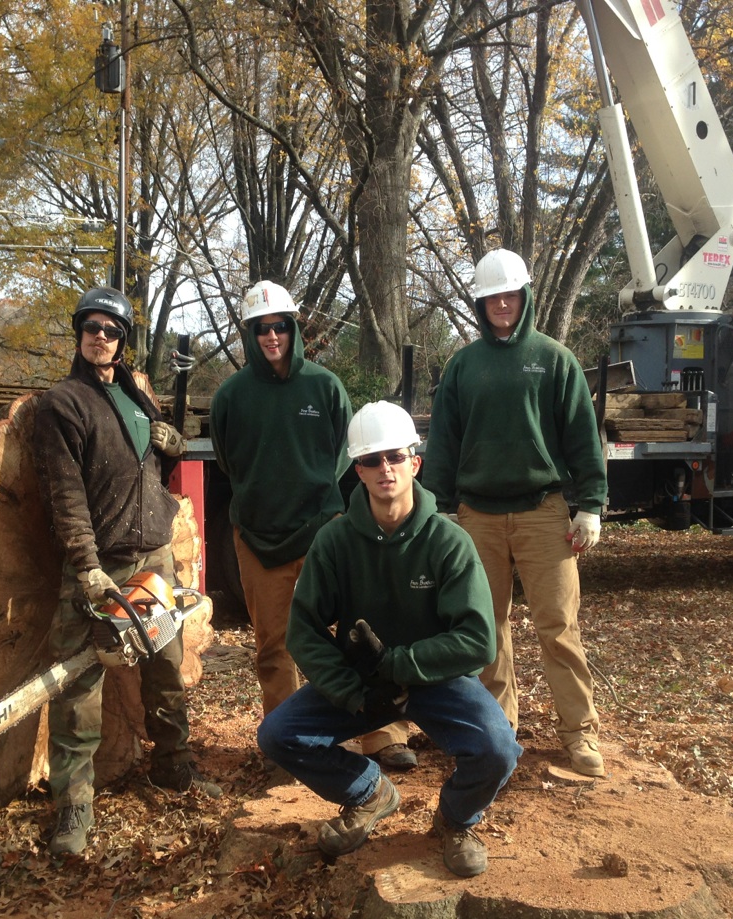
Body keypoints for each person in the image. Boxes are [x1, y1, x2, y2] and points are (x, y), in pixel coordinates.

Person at [257, 402, 520, 878]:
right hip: (363, 685)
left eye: (395, 457)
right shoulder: (334, 542)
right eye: (372, 460)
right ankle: (368, 792)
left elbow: (479, 640)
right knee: (279, 735)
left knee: (499, 749)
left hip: (435, 679)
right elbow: (304, 630)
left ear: (414, 462)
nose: (385, 469)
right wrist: (352, 690)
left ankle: (457, 819)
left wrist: (399, 664)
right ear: (358, 470)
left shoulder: (448, 541)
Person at [34, 285, 220, 857]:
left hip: (154, 555)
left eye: (111, 330)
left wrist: (171, 446)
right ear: (79, 334)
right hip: (101, 566)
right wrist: (86, 567)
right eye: (91, 327)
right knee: (80, 685)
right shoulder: (63, 403)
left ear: (123, 341)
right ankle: (73, 803)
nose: (100, 337)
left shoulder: (137, 397)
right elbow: (66, 495)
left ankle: (174, 762)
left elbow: (147, 469)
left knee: (165, 665)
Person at [211, 281, 413, 769]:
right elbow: (227, 461)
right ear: (250, 334)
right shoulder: (231, 397)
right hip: (259, 537)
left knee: (357, 629)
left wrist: (322, 505)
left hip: (323, 530)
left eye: (280, 325)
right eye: (261, 328)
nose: (272, 336)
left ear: (294, 329)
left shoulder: (323, 386)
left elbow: (345, 457)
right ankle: (290, 746)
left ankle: (382, 733)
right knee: (273, 644)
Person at [424, 249, 609, 778]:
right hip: (477, 516)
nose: (501, 304)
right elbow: (443, 443)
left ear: (524, 297)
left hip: (542, 512)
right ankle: (498, 731)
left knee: (558, 626)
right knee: (486, 629)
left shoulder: (553, 359)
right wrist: (435, 507)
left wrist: (590, 504)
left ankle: (579, 734)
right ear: (480, 304)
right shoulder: (463, 366)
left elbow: (581, 436)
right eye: (491, 298)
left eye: (509, 295)